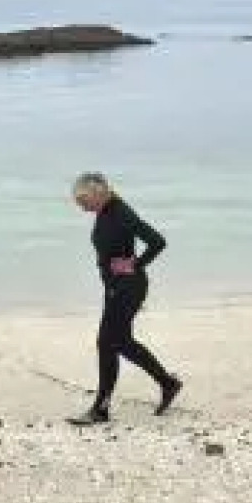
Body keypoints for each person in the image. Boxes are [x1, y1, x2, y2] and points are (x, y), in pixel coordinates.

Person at [69, 172, 182, 424]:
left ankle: (101, 408)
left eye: (83, 199)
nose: (80, 205)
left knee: (110, 342)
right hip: (117, 288)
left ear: (99, 192)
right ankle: (167, 383)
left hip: (128, 288)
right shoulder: (107, 211)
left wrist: (136, 265)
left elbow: (157, 241)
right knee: (117, 342)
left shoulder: (121, 213)